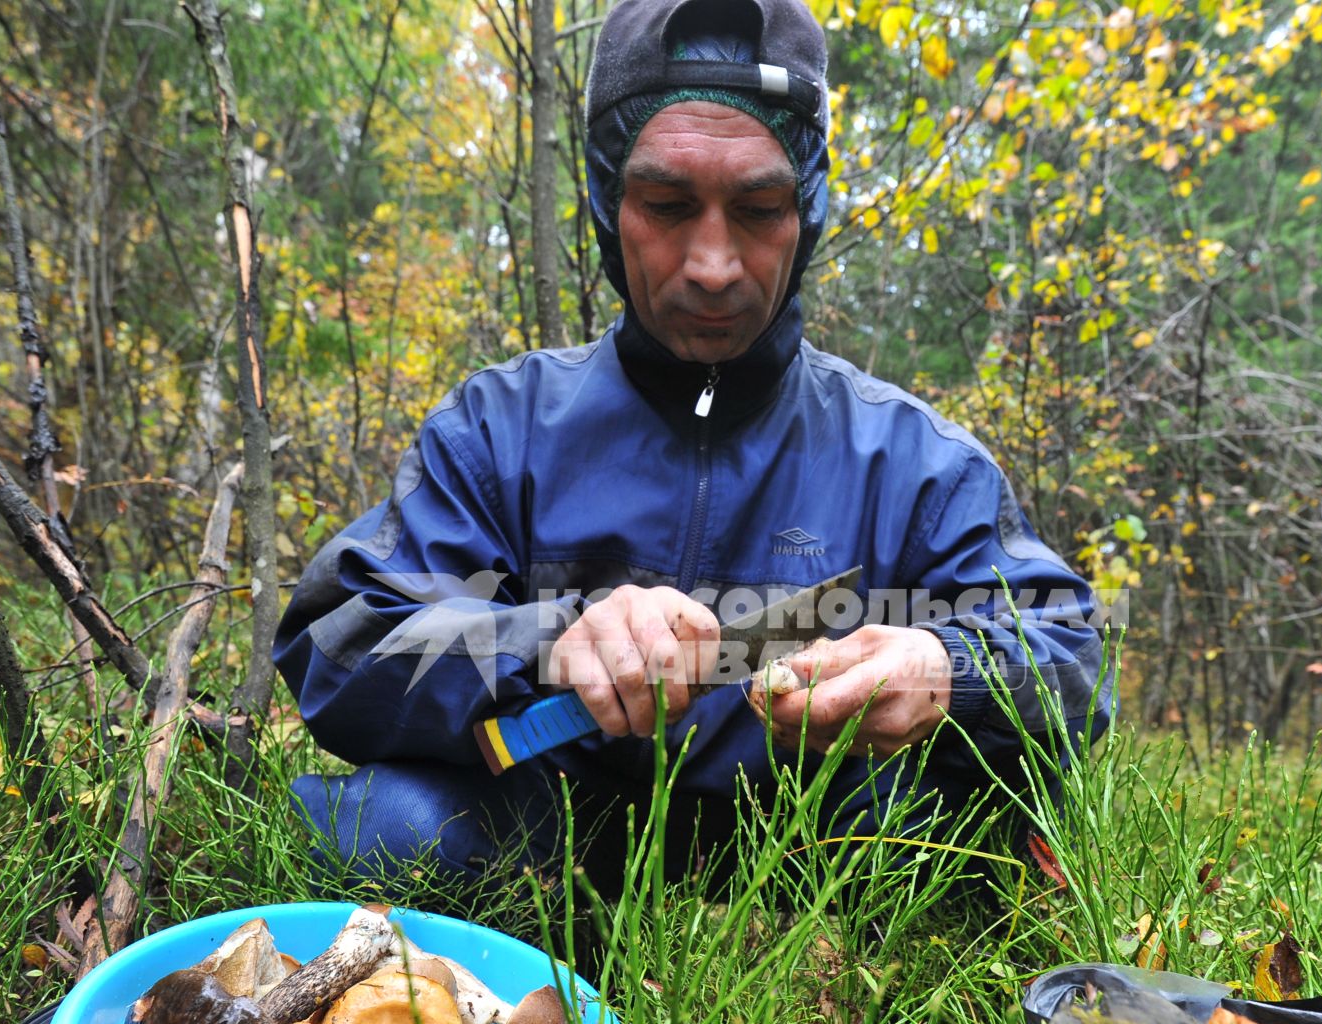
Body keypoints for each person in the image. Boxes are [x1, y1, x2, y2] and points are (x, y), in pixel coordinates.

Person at [272, 0, 1112, 883]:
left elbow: (1075, 649)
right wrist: (549, 645)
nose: (713, 265)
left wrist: (946, 671)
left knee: (986, 822)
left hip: (818, 849)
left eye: (757, 207)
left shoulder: (912, 461)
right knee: (389, 827)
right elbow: (339, 642)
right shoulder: (500, 428)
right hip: (549, 838)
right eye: (669, 204)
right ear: (608, 198)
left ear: (808, 207)